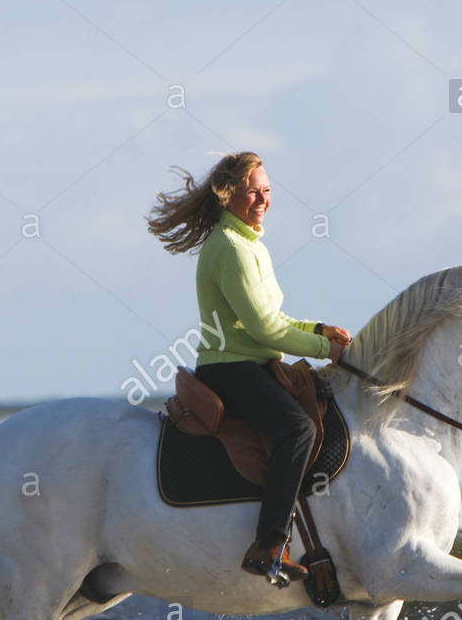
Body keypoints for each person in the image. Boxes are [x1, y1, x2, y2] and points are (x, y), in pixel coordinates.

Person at [147, 152, 352, 582]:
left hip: (253, 363)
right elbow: (263, 329)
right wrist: (322, 349)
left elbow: (274, 317)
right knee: (298, 430)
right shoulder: (229, 249)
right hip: (230, 369)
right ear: (228, 196)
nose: (262, 199)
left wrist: (318, 329)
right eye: (252, 192)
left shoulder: (249, 244)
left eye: (267, 191)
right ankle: (269, 545)